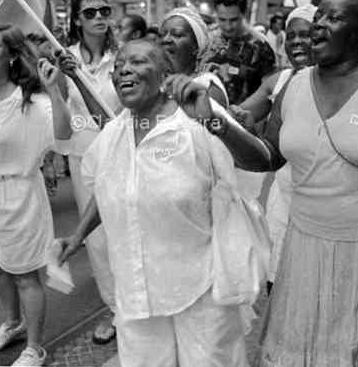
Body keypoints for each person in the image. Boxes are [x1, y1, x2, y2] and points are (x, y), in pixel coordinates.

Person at [171, 0, 358, 366]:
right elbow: (266, 158)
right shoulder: (293, 84)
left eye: (335, 17)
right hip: (306, 243)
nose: (320, 24)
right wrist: (217, 121)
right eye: (320, 15)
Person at [58, 40, 248, 367]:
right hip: (136, 295)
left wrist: (217, 123)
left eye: (137, 62)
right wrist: (77, 236)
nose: (123, 71)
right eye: (118, 66)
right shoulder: (113, 132)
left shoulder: (194, 121)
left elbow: (253, 164)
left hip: (200, 291)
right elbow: (109, 190)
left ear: (164, 73)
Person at [0, 25, 71, 366]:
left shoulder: (31, 101)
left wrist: (54, 90)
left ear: (11, 54)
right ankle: (13, 323)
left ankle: (35, 347)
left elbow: (65, 132)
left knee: (24, 274)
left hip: (17, 196)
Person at [230, 4, 318, 287]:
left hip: (324, 199)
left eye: (306, 35)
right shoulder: (277, 81)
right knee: (280, 279)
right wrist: (237, 118)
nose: (296, 42)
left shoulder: (339, 82)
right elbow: (241, 116)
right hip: (284, 197)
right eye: (290, 36)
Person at [58, 0, 122, 344]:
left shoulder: (124, 55)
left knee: (130, 228)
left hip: (124, 151)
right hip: (85, 158)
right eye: (90, 12)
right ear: (77, 20)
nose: (99, 17)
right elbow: (64, 116)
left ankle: (137, 303)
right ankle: (114, 309)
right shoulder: (66, 59)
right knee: (96, 238)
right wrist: (62, 81)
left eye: (104, 11)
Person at [201, 0, 277, 105]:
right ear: (215, 14)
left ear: (244, 14)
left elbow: (270, 90)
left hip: (244, 118)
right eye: (222, 19)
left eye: (233, 20)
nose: (228, 26)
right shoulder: (206, 41)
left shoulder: (260, 46)